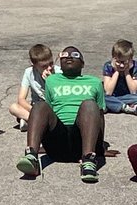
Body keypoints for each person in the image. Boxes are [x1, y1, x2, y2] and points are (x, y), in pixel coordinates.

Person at [16, 45, 106, 183]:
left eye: (75, 55)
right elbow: (49, 112)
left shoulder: (94, 82)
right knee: (40, 105)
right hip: (57, 143)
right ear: (60, 64)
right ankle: (31, 156)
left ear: (82, 63)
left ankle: (89, 161)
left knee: (90, 104)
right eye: (64, 55)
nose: (69, 56)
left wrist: (99, 148)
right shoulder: (51, 80)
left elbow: (100, 115)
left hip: (82, 140)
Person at [8, 43, 56, 130]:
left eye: (51, 63)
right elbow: (21, 99)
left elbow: (59, 98)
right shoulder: (29, 72)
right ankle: (38, 121)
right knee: (13, 107)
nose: (49, 68)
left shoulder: (59, 72)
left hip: (53, 107)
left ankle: (33, 122)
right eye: (44, 66)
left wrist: (51, 81)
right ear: (33, 64)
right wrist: (34, 111)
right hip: (36, 107)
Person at [102, 39, 137, 116]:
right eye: (119, 62)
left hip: (128, 95)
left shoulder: (135, 66)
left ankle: (112, 105)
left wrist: (127, 72)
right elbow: (108, 92)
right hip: (112, 95)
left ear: (130, 59)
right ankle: (126, 107)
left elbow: (133, 91)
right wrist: (116, 71)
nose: (121, 65)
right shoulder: (108, 66)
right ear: (114, 58)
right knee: (101, 96)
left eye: (124, 62)